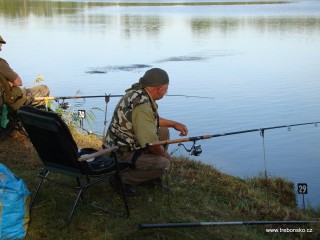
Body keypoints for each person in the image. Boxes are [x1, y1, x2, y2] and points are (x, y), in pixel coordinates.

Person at [104, 68, 188, 196]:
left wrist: (173, 124)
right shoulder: (142, 106)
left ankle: (150, 177)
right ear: (159, 88)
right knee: (163, 164)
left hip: (126, 143)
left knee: (163, 132)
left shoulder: (139, 92)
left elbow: (150, 120)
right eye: (166, 87)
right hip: (120, 152)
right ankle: (121, 179)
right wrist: (165, 156)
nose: (167, 91)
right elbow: (150, 143)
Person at [0, 35, 50, 111]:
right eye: (0, 45)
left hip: (6, 98)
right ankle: (34, 118)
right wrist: (9, 83)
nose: (1, 49)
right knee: (44, 89)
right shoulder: (1, 63)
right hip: (12, 101)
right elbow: (18, 82)